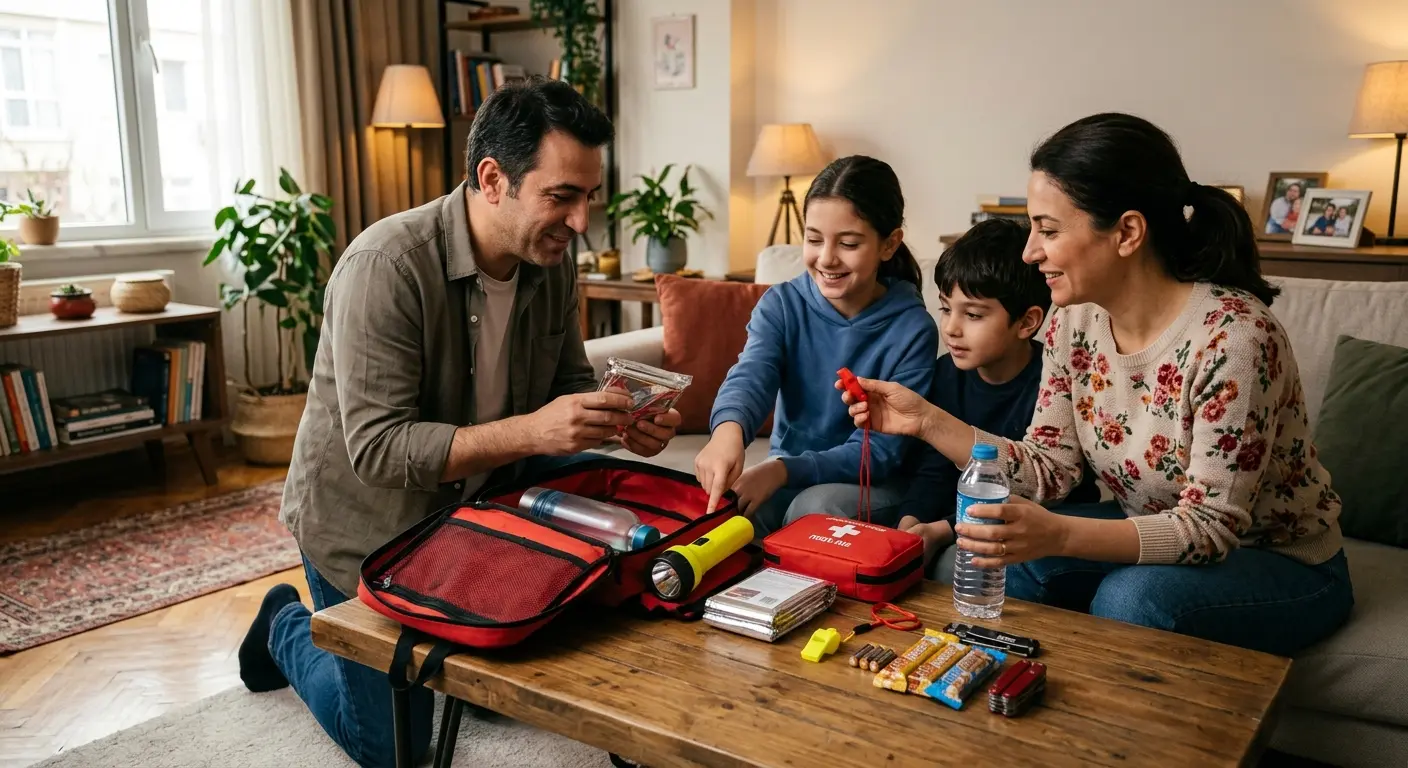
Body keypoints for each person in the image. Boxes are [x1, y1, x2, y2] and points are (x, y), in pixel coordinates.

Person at [236, 78, 682, 768]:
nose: (581, 221)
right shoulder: (386, 267)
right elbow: (380, 451)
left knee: (495, 681)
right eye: (562, 196)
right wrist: (537, 431)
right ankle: (286, 626)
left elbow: (564, 386)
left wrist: (616, 420)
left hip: (475, 511)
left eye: (589, 196)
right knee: (396, 756)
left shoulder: (552, 263)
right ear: (493, 178)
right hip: (365, 528)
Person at [840, 113, 1353, 657]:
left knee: (1133, 601)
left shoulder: (1234, 339)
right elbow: (1051, 469)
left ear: (1127, 232)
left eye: (1050, 229)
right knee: (999, 560)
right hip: (1148, 525)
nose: (1030, 251)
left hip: (1280, 558)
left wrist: (1060, 534)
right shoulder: (1075, 320)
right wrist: (924, 420)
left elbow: (1209, 528)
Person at [695, 155, 939, 535]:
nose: (826, 258)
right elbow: (751, 374)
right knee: (727, 514)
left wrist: (781, 470)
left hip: (874, 483)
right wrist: (727, 430)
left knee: (812, 510)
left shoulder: (912, 329)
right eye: (813, 239)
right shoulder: (781, 305)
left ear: (889, 244)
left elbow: (879, 453)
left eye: (849, 243)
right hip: (788, 471)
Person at [892, 219, 1100, 577]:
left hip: (1046, 521)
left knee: (955, 567)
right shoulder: (947, 374)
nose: (951, 328)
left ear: (1026, 322)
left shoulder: (1052, 384)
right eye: (946, 308)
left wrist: (942, 530)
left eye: (973, 314)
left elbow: (1046, 493)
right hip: (960, 517)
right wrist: (910, 526)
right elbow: (934, 470)